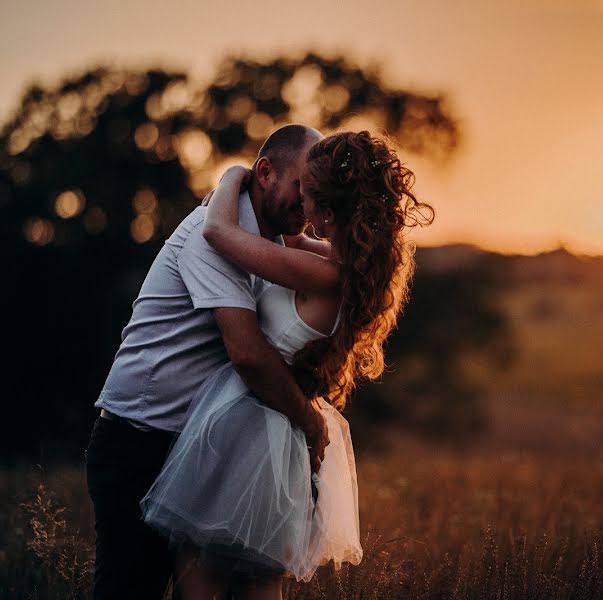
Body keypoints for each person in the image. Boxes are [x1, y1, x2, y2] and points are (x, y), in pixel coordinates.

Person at [140, 130, 434, 599]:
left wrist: (232, 175)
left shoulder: (318, 272)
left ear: (327, 213)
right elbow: (288, 242)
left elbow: (218, 232)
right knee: (259, 578)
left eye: (308, 195)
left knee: (199, 574)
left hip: (253, 425)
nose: (299, 202)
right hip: (280, 435)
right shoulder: (344, 268)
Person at [85, 124, 328, 600]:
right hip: (139, 441)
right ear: (265, 173)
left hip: (194, 450)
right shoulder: (208, 235)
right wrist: (308, 420)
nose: (310, 203)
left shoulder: (270, 239)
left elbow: (348, 261)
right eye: (303, 187)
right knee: (129, 590)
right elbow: (248, 354)